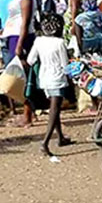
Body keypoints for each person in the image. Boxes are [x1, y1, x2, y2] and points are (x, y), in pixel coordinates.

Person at [28, 14, 73, 158]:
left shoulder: (39, 41)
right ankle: (45, 142)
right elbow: (65, 65)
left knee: (55, 109)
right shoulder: (60, 43)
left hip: (44, 77)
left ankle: (60, 137)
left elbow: (30, 60)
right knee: (54, 109)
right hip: (57, 77)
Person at [2, 0, 37, 73]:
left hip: (20, 37)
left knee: (19, 70)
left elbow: (25, 22)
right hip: (14, 35)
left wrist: (19, 45)